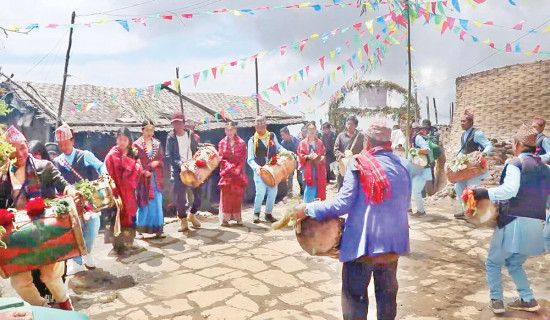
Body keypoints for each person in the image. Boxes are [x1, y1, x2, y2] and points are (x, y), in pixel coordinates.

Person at [295, 119, 411, 319]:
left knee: (354, 300)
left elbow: (342, 204)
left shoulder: (358, 163)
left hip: (363, 245)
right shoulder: (403, 165)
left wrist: (309, 208)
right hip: (393, 244)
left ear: (367, 140)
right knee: (387, 298)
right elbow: (404, 202)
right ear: (388, 142)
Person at [470, 124, 550, 314]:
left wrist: (483, 192)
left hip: (513, 220)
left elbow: (509, 190)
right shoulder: (545, 169)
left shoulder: (516, 163)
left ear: (517, 144)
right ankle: (528, 299)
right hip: (536, 223)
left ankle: (496, 301)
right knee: (514, 263)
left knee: (493, 262)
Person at [0, 126, 78, 310]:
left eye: (22, 147)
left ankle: (67, 307)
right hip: (20, 236)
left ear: (27, 145)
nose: (19, 153)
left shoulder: (45, 167)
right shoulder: (4, 175)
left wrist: (72, 192)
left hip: (46, 231)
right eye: (13, 149)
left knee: (50, 277)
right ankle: (45, 310)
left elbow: (63, 184)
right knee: (19, 283)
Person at [52, 124, 108, 274]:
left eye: (65, 143)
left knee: (93, 224)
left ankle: (86, 252)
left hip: (88, 200)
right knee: (73, 230)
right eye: (60, 145)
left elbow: (101, 166)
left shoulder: (85, 155)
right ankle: (76, 261)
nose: (63, 147)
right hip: (69, 202)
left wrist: (104, 175)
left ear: (72, 140)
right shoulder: (56, 162)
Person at [104, 128, 142, 254]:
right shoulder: (112, 155)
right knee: (117, 217)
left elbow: (137, 167)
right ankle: (118, 247)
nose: (122, 142)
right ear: (116, 140)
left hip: (129, 191)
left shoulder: (132, 152)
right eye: (120, 139)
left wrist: (133, 164)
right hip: (117, 190)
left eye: (125, 140)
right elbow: (108, 171)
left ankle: (129, 242)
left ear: (129, 141)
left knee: (130, 215)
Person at [165, 111, 202, 232]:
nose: (177, 125)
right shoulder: (170, 137)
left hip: (192, 169)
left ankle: (192, 214)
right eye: (175, 123)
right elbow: (168, 156)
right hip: (178, 171)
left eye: (179, 123)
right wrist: (180, 164)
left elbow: (195, 150)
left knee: (198, 195)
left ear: (184, 123)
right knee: (179, 198)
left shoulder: (190, 135)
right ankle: (183, 220)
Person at [453, 110, 494, 219]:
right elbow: (463, 151)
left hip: (475, 168)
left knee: (471, 190)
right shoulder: (463, 135)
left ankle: (473, 214)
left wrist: (482, 154)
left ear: (470, 122)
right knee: (458, 187)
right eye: (461, 121)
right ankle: (466, 211)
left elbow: (489, 146)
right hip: (465, 168)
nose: (461, 123)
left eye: (464, 121)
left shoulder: (477, 134)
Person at [247, 115, 287, 223]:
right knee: (260, 192)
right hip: (260, 171)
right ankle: (256, 213)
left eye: (262, 122)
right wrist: (257, 167)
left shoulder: (272, 136)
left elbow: (278, 147)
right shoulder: (252, 140)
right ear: (255, 126)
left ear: (266, 124)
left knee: (273, 192)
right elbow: (250, 159)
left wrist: (286, 152)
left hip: (272, 170)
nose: (260, 125)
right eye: (258, 123)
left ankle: (268, 214)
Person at [133, 120, 165, 238]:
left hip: (155, 178)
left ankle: (158, 229)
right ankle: (140, 229)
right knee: (144, 202)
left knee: (156, 202)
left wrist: (157, 162)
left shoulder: (157, 144)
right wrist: (142, 171)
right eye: (147, 130)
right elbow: (134, 161)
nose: (149, 132)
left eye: (151, 130)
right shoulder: (136, 145)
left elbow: (162, 158)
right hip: (143, 178)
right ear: (142, 130)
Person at [218, 121, 248, 226]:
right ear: (225, 131)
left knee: (237, 195)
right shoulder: (221, 143)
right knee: (226, 196)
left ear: (235, 130)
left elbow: (243, 158)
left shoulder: (241, 143)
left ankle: (237, 218)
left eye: (231, 129)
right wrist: (230, 167)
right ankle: (225, 219)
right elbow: (221, 158)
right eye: (227, 129)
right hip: (227, 173)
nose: (229, 132)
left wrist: (238, 168)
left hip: (238, 173)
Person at [297, 122, 327, 203]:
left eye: (313, 130)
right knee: (310, 185)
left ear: (316, 131)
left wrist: (322, 157)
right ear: (307, 131)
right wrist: (308, 157)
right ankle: (306, 204)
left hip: (318, 167)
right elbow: (300, 155)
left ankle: (315, 206)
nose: (312, 132)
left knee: (319, 185)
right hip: (308, 167)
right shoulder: (302, 143)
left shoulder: (319, 142)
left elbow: (323, 152)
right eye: (310, 130)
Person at [334, 115, 365, 189]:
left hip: (356, 165)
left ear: (355, 125)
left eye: (351, 124)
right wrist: (340, 155)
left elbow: (365, 149)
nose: (349, 126)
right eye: (348, 124)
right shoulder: (341, 136)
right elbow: (336, 149)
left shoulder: (361, 136)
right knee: (342, 185)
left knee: (355, 185)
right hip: (343, 165)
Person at [409, 123, 432, 217]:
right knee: (413, 190)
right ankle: (419, 210)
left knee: (415, 191)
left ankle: (421, 211)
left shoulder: (418, 138)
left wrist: (414, 150)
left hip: (422, 169)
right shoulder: (413, 138)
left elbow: (427, 149)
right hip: (418, 169)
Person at [279, 126, 300, 196]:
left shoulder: (296, 140)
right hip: (289, 163)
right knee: (289, 177)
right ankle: (289, 193)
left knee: (300, 177)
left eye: (283, 135)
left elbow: (299, 151)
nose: (282, 137)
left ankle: (302, 192)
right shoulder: (283, 143)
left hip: (298, 160)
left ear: (287, 134)